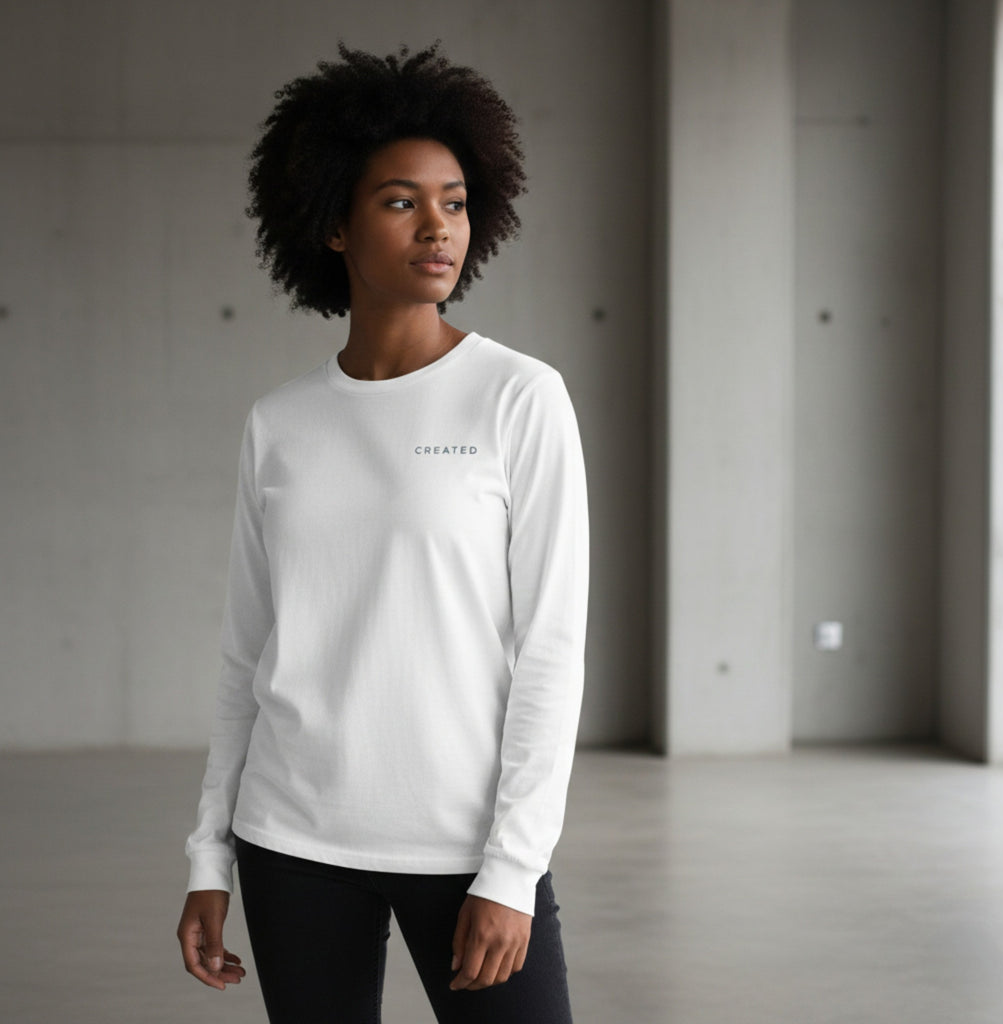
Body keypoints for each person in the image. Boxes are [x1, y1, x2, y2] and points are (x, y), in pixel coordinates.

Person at [175, 41, 588, 1024]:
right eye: (401, 200)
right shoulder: (281, 422)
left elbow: (552, 646)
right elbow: (246, 653)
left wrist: (512, 867)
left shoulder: (518, 397)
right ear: (332, 225)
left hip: (463, 846)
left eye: (452, 200)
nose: (436, 225)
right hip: (292, 838)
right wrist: (209, 854)